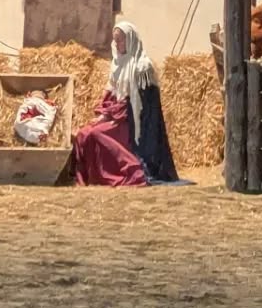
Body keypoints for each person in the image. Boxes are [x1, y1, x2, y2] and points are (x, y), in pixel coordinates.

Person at [71, 20, 181, 187]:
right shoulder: (117, 63)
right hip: (116, 115)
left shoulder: (142, 66)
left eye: (121, 39)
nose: (117, 44)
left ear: (131, 39)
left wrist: (112, 116)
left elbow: (143, 103)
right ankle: (94, 178)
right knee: (83, 133)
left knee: (97, 134)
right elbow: (111, 95)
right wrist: (104, 114)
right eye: (115, 40)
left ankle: (128, 172)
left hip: (132, 123)